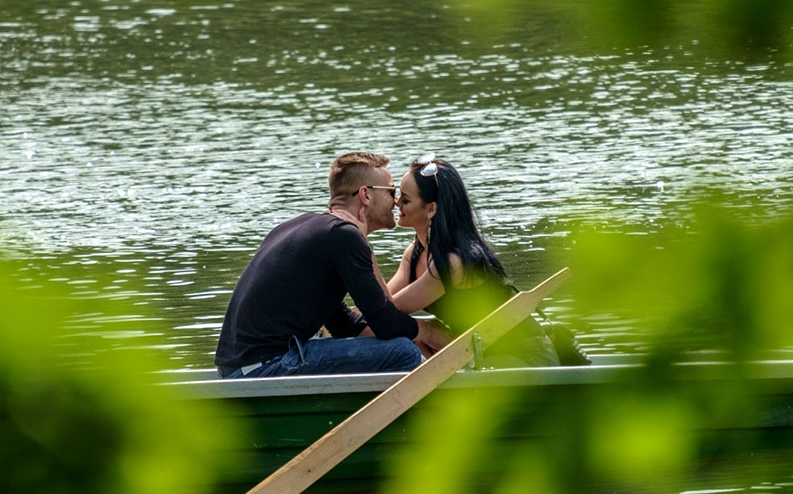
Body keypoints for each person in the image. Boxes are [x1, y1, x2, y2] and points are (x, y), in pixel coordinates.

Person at [215, 152, 438, 379]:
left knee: (394, 345)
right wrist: (429, 332)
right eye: (391, 192)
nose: (397, 201)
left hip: (237, 370)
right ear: (365, 195)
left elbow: (343, 324)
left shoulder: (303, 227)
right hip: (263, 368)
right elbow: (384, 322)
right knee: (403, 353)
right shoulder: (344, 236)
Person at [386, 153, 590, 366]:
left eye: (406, 199)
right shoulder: (414, 253)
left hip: (526, 358)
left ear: (431, 209)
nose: (397, 202)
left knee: (414, 329)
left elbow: (387, 313)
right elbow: (380, 305)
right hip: (481, 354)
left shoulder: (453, 263)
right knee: (411, 332)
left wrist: (366, 255)